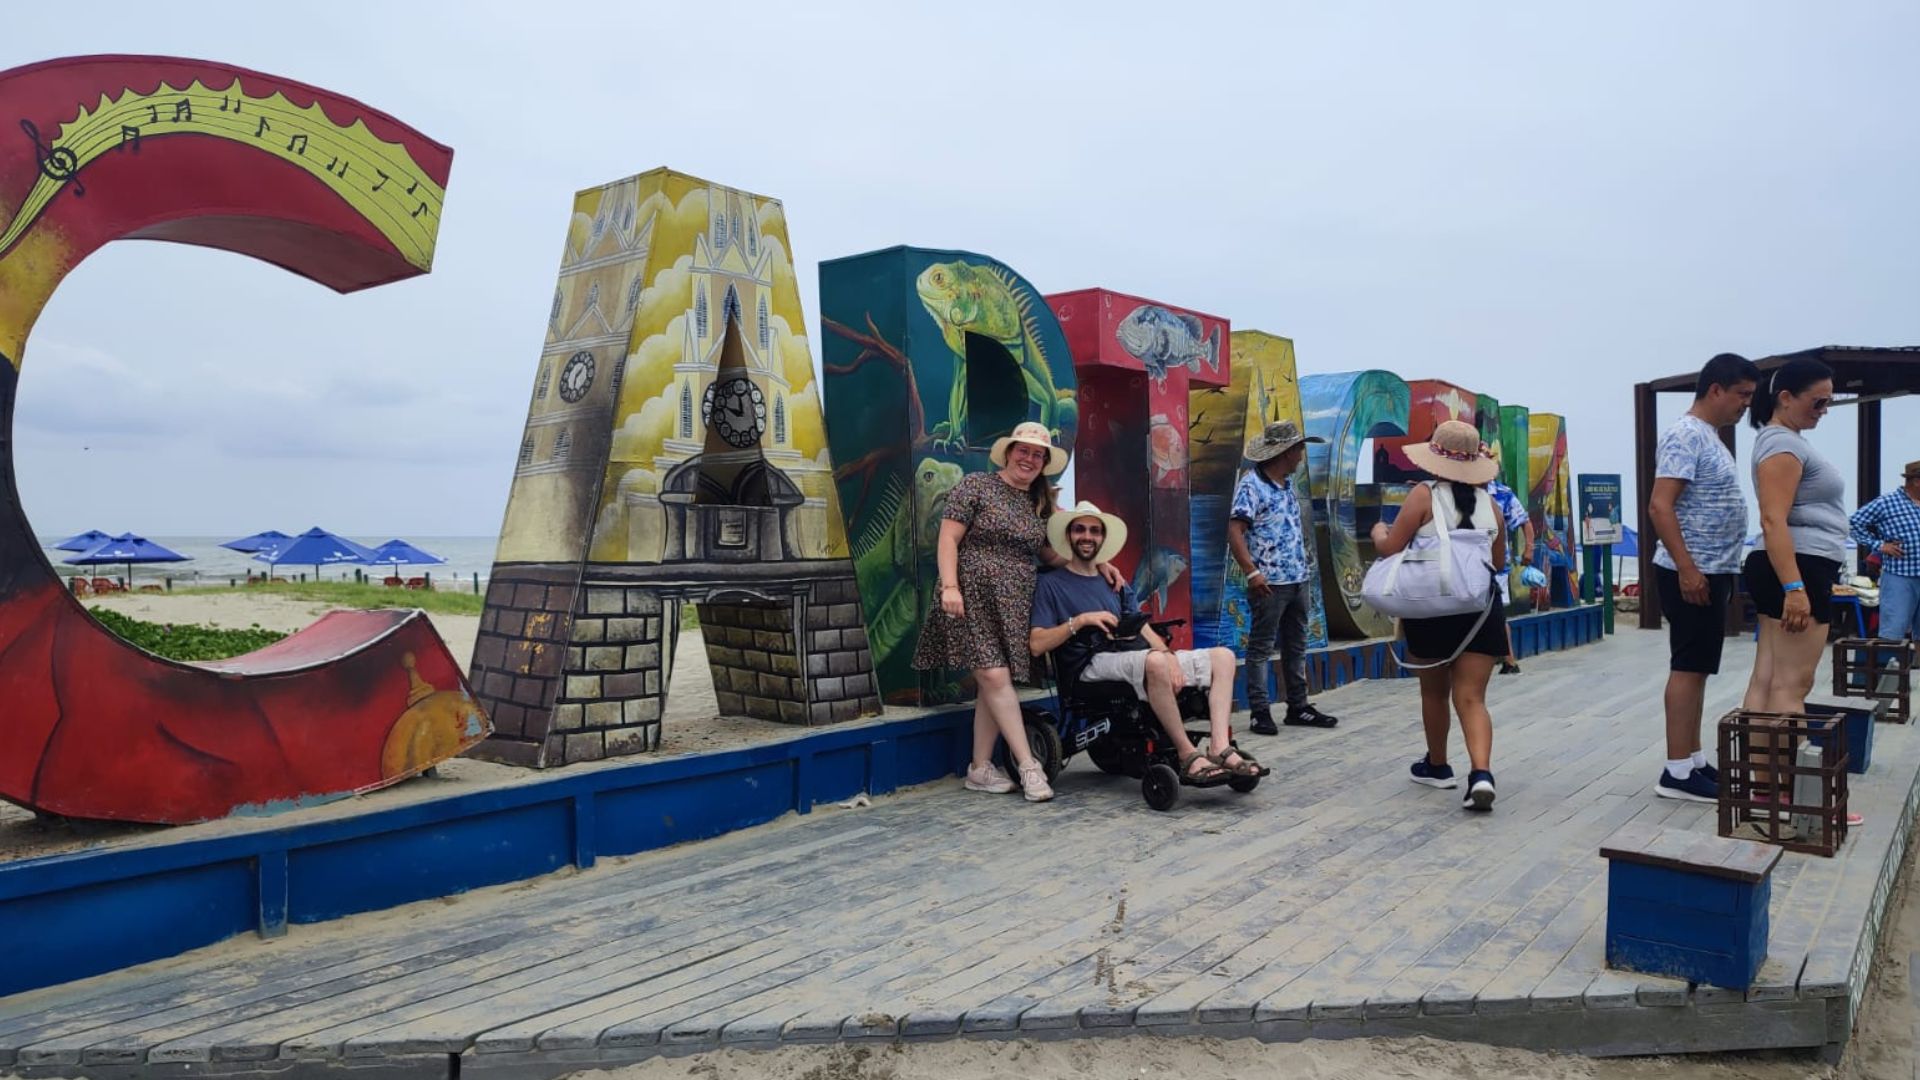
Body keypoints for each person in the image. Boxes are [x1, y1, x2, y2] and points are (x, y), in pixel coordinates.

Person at [914, 421, 1117, 803]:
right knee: (993, 674)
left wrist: (1098, 562)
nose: (1029, 458)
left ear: (1043, 462)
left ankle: (979, 769)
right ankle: (1029, 766)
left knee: (993, 684)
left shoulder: (1040, 504)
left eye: (1037, 454)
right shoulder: (976, 485)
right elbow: (948, 537)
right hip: (971, 593)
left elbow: (1052, 555)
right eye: (1023, 451)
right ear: (1008, 453)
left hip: (1016, 601)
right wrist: (951, 586)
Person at [1030, 502, 1264, 782]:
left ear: (1102, 538)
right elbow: (1036, 644)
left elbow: (1138, 623)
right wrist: (1078, 621)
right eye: (1080, 529)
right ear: (1069, 536)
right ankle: (1187, 754)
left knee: (1223, 657)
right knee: (1153, 661)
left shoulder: (1113, 581)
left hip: (1128, 655)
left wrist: (1167, 654)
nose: (1087, 536)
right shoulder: (1050, 584)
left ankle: (1219, 746)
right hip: (1088, 665)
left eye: (1094, 531)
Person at [1740, 357, 1864, 827]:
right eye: (1818, 401)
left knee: (1769, 682)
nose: (1824, 409)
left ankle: (1766, 791)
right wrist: (1795, 588)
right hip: (1798, 566)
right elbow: (1774, 518)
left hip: (1793, 564)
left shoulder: (1780, 441)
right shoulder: (1782, 446)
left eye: (1830, 401)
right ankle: (1792, 794)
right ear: (1785, 397)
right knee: (1792, 686)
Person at [1369, 420, 1506, 811]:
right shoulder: (1491, 506)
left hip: (1430, 607)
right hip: (1480, 610)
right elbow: (1497, 562)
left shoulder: (1422, 495)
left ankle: (1438, 765)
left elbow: (1391, 547)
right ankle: (1481, 774)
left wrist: (1379, 531)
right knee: (1472, 697)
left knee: (1434, 692)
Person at [1645, 352, 1759, 802]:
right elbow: (1660, 505)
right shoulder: (1685, 435)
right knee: (1688, 666)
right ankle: (1675, 771)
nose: (1746, 405)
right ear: (1715, 389)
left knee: (1700, 667)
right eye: (1742, 395)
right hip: (1691, 570)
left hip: (1714, 567)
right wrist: (1688, 568)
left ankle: (1691, 758)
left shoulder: (1710, 436)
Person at [1229, 420, 1339, 735]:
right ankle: (1259, 712)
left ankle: (1298, 706)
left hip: (1297, 579)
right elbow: (1235, 530)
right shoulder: (1252, 484)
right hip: (1269, 583)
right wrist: (1252, 571)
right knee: (1261, 647)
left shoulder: (1287, 484)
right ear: (1286, 452)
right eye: (1299, 448)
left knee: (1296, 644)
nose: (1302, 454)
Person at [1849, 460, 1920, 641]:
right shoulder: (1887, 502)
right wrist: (1880, 546)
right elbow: (1853, 524)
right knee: (1892, 631)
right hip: (1899, 576)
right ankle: (1888, 667)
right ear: (1916, 481)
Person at [1485, 475, 1534, 674]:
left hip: (1496, 565)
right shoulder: (1455, 488)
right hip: (1464, 564)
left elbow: (1524, 521)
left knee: (1497, 614)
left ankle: (1509, 660)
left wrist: (1529, 548)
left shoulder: (1502, 493)